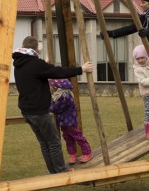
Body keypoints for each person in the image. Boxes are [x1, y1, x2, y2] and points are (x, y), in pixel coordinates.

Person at [12, 36, 93, 174]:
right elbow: (58, 72)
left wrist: (45, 63)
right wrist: (81, 69)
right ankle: (61, 171)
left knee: (44, 143)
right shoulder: (35, 64)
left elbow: (38, 72)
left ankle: (53, 171)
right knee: (54, 142)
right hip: (39, 112)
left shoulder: (19, 63)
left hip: (27, 111)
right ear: (35, 49)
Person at [49, 78, 93, 164]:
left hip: (70, 122)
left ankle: (87, 153)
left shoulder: (64, 96)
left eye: (51, 86)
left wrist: (47, 107)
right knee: (68, 138)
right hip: (64, 123)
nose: (50, 87)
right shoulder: (58, 95)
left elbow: (56, 108)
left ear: (57, 87)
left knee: (78, 137)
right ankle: (72, 154)